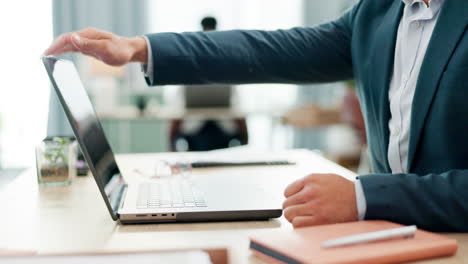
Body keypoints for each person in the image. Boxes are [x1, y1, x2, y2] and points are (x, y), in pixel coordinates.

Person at [44, 0, 468, 231]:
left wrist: (364, 197)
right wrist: (139, 48)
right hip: (393, 242)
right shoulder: (378, 13)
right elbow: (267, 49)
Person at [169, 16, 248, 151]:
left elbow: (236, 102)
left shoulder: (227, 65)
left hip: (223, 126)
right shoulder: (190, 65)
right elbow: (178, 102)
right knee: (201, 140)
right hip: (195, 128)